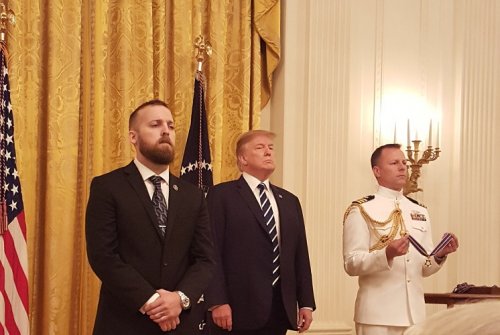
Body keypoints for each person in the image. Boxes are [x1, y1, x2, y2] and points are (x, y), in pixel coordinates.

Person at [85, 99, 215, 334]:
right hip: (124, 321)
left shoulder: (192, 195)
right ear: (133, 137)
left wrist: (180, 299)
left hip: (181, 322)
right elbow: (103, 256)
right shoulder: (107, 187)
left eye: (171, 126)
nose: (166, 130)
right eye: (155, 124)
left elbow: (205, 259)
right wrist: (152, 302)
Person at [205, 130, 316, 335]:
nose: (268, 152)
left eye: (271, 148)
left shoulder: (290, 201)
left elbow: (300, 254)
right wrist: (217, 301)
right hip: (236, 310)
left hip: (279, 307)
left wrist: (306, 302)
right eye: (260, 147)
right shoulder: (221, 196)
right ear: (243, 158)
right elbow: (211, 251)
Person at [342, 143, 459, 335]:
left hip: (414, 315)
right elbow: (351, 263)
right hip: (377, 315)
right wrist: (386, 254)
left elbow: (424, 266)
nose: (403, 167)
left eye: (404, 162)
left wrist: (439, 255)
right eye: (394, 162)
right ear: (377, 171)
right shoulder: (362, 209)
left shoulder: (419, 210)